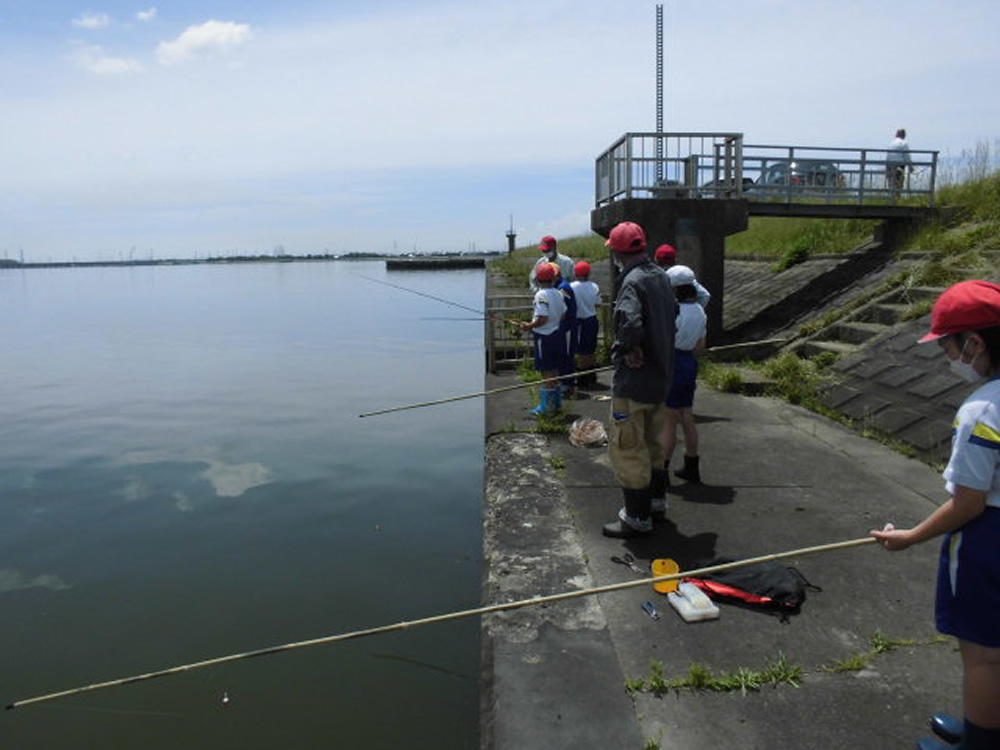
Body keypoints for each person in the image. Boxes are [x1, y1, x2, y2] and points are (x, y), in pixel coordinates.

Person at [871, 280, 1000, 750]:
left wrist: (910, 537)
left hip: (990, 540)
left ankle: (981, 742)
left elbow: (969, 502)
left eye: (948, 346)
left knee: (985, 655)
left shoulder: (983, 410)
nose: (949, 358)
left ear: (975, 343)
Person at [602, 221, 676, 538]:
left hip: (633, 385)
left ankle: (636, 518)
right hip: (661, 378)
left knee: (628, 448)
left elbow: (629, 322)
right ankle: (656, 504)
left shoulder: (630, 282)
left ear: (618, 252)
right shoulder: (660, 275)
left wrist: (629, 348)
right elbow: (671, 314)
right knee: (654, 444)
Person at [662, 265, 708, 489]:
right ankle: (691, 465)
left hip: (673, 363)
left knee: (669, 419)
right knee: (687, 415)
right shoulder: (700, 310)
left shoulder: (674, 312)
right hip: (690, 362)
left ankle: (661, 470)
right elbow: (701, 345)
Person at [519, 262, 566, 416]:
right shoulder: (559, 293)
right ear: (553, 278)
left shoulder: (540, 295)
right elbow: (563, 313)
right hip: (558, 334)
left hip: (544, 337)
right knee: (555, 369)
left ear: (538, 280)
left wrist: (529, 326)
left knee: (546, 371)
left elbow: (542, 318)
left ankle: (547, 407)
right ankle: (557, 404)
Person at [571, 261, 601, 390]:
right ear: (588, 273)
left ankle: (582, 377)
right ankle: (591, 374)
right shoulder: (594, 286)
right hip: (592, 319)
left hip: (579, 320)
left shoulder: (571, 286)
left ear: (575, 273)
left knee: (581, 350)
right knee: (591, 348)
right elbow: (598, 303)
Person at [654, 244, 711, 308]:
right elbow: (705, 295)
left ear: (656, 260)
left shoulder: (651, 278)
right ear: (675, 260)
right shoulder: (683, 276)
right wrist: (693, 310)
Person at [551, 263, 578, 397]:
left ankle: (568, 385)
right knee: (561, 355)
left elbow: (565, 311)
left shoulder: (563, 288)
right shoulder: (558, 286)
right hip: (562, 326)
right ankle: (564, 383)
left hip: (567, 326)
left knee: (567, 355)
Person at [886, 128, 912, 192]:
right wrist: (910, 166)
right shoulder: (903, 143)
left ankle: (890, 197)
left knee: (891, 182)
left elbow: (888, 155)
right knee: (899, 182)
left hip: (889, 164)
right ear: (903, 135)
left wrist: (886, 167)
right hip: (899, 165)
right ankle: (897, 197)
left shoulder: (891, 143)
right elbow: (907, 156)